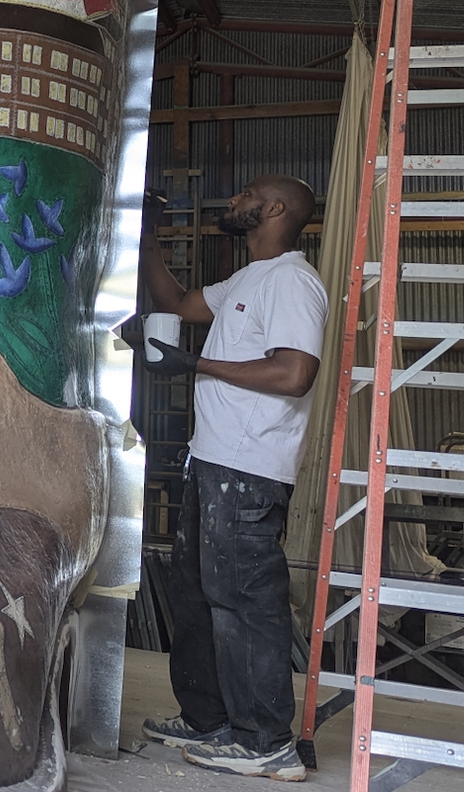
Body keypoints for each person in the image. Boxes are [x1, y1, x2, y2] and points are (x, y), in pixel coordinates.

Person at [138, 175, 327, 782]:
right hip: (211, 461)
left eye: (245, 193)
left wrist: (192, 362)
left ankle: (267, 741)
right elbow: (180, 305)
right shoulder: (248, 279)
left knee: (245, 606)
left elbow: (295, 373)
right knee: (197, 598)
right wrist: (144, 241)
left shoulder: (294, 282)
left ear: (273, 210)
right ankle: (210, 722)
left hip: (249, 470)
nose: (232, 199)